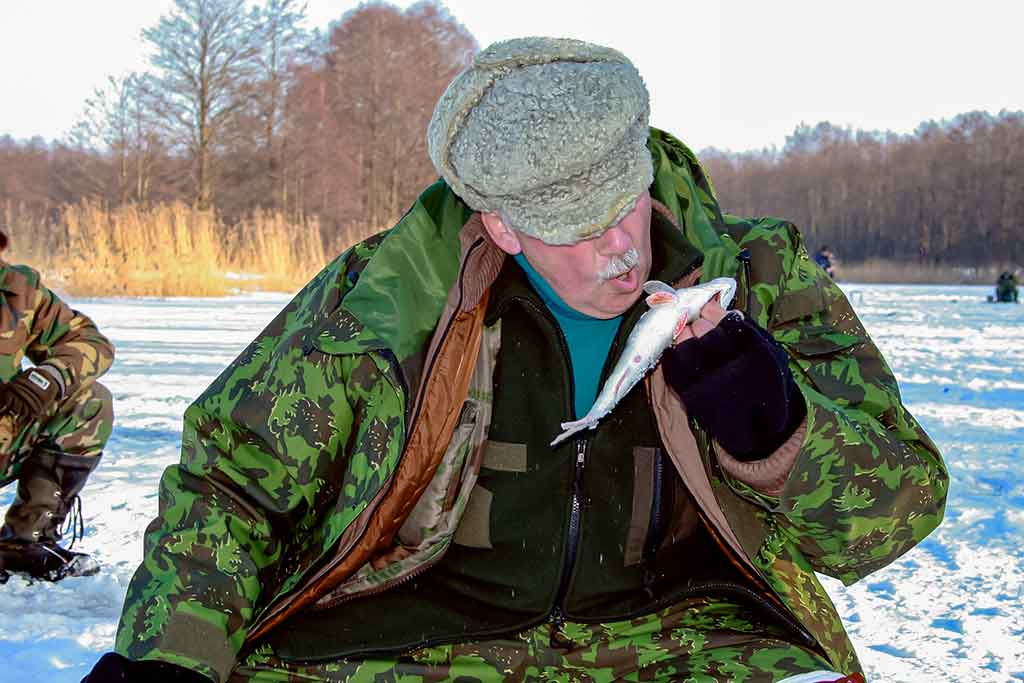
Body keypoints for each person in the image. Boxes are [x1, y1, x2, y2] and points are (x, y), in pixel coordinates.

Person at [85, 38, 947, 683]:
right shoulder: (387, 297)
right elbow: (232, 485)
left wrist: (778, 430)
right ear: (501, 225)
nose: (620, 250)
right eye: (577, 226)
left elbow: (897, 517)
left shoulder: (756, 279)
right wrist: (168, 658)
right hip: (405, 643)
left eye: (626, 205)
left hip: (692, 641)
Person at [0, 228, 115, 581]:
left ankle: (24, 542)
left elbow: (91, 342)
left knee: (89, 402)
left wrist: (48, 377)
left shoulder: (18, 290)